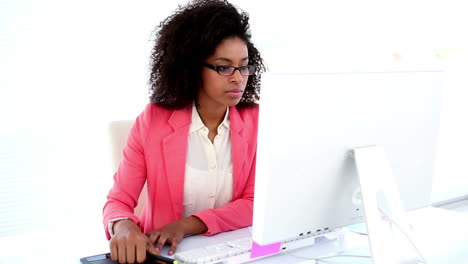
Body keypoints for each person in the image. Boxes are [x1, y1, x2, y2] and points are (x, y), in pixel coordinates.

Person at [102, 0, 265, 263]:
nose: (238, 78)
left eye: (244, 66)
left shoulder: (257, 121)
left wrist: (186, 225)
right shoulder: (153, 121)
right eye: (223, 67)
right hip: (165, 255)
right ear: (191, 68)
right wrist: (122, 226)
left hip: (236, 253)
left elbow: (255, 202)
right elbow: (118, 201)